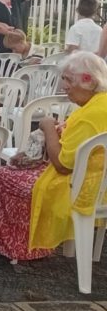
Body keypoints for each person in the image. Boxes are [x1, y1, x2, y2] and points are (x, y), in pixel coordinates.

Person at [27, 51, 107, 252]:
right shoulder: (100, 103)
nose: (64, 86)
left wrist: (47, 127)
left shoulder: (89, 115)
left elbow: (63, 165)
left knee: (4, 179)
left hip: (84, 190)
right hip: (100, 184)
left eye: (69, 80)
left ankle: (18, 250)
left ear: (89, 81)